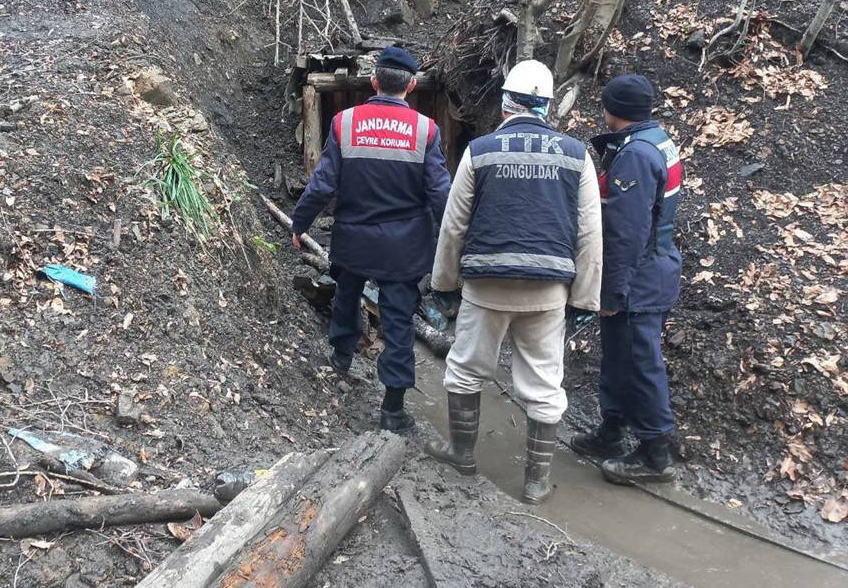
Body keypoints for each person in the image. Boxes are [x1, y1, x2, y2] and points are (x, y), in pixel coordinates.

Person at [424, 59, 602, 504]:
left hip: (486, 287)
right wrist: (584, 300)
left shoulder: (480, 151)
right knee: (544, 385)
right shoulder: (576, 155)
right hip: (547, 291)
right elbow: (589, 234)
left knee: (464, 370)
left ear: (506, 103)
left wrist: (443, 282)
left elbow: (454, 225)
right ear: (547, 107)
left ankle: (462, 456)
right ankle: (536, 483)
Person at [290, 47, 451, 433]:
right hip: (404, 248)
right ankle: (393, 407)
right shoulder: (426, 130)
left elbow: (322, 183)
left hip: (353, 240)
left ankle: (341, 357)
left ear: (374, 82)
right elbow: (441, 194)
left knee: (346, 295)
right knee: (398, 321)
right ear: (411, 85)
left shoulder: (345, 123)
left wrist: (300, 224)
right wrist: (453, 243)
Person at [572, 74, 682, 485]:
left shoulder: (635, 155)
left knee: (639, 362)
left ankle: (656, 454)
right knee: (619, 356)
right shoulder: (657, 139)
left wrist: (613, 290)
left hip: (639, 277)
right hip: (652, 266)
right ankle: (612, 431)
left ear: (611, 109)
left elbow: (627, 230)